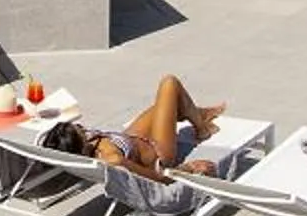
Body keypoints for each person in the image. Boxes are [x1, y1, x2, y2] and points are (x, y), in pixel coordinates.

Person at [85, 75, 229, 180]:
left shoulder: (79, 147)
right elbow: (157, 177)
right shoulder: (113, 159)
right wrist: (187, 169)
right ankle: (202, 128)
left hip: (133, 138)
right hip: (156, 151)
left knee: (169, 103)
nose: (84, 131)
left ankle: (198, 114)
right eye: (80, 131)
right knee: (169, 84)